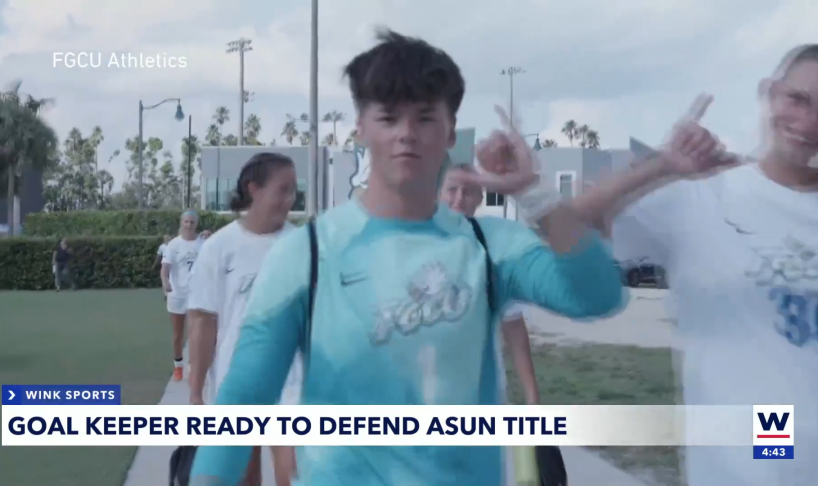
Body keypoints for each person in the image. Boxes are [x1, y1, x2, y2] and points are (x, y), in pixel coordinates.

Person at [191, 29, 625, 486]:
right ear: (360, 127)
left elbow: (596, 295)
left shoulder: (486, 245)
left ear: (450, 130)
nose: (406, 134)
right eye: (388, 117)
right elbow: (241, 407)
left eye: (424, 117)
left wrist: (533, 192)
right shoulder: (306, 254)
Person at [562, 44, 817, 486]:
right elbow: (566, 225)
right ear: (770, 93)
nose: (809, 123)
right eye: (798, 99)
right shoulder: (702, 196)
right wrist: (661, 165)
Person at [188, 153, 302, 486]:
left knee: (294, 475)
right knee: (243, 479)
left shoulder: (303, 246)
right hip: (235, 383)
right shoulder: (219, 247)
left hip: (292, 384)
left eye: (293, 190)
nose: (290, 199)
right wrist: (196, 394)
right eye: (283, 189)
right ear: (254, 189)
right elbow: (203, 321)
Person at [440, 164, 541, 486]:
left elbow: (513, 327)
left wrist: (532, 395)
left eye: (468, 191)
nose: (459, 198)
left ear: (480, 197)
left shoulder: (493, 251)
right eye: (451, 189)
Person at [161, 211, 201, 381]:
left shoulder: (203, 243)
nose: (188, 225)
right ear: (181, 222)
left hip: (196, 296)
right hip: (177, 295)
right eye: (186, 221)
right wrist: (165, 282)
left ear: (196, 224)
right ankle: (178, 366)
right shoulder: (173, 245)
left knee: (195, 334)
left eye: (192, 222)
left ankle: (193, 367)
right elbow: (165, 268)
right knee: (178, 334)